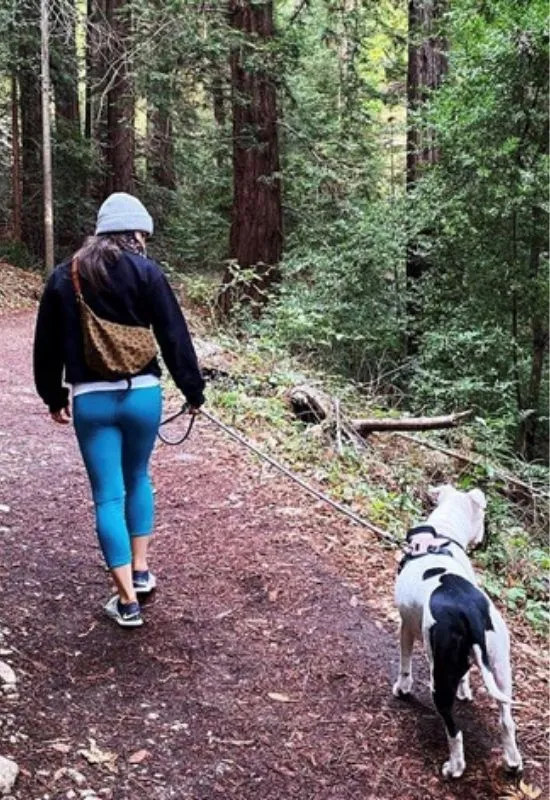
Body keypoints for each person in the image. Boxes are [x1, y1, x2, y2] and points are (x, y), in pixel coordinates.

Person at [33, 193, 205, 628]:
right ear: (134, 234)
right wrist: (192, 390)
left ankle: (126, 600)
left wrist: (52, 396)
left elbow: (46, 347)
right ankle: (142, 570)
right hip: (143, 394)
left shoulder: (63, 277)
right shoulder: (146, 272)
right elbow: (173, 335)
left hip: (91, 399)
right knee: (138, 478)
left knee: (108, 494)